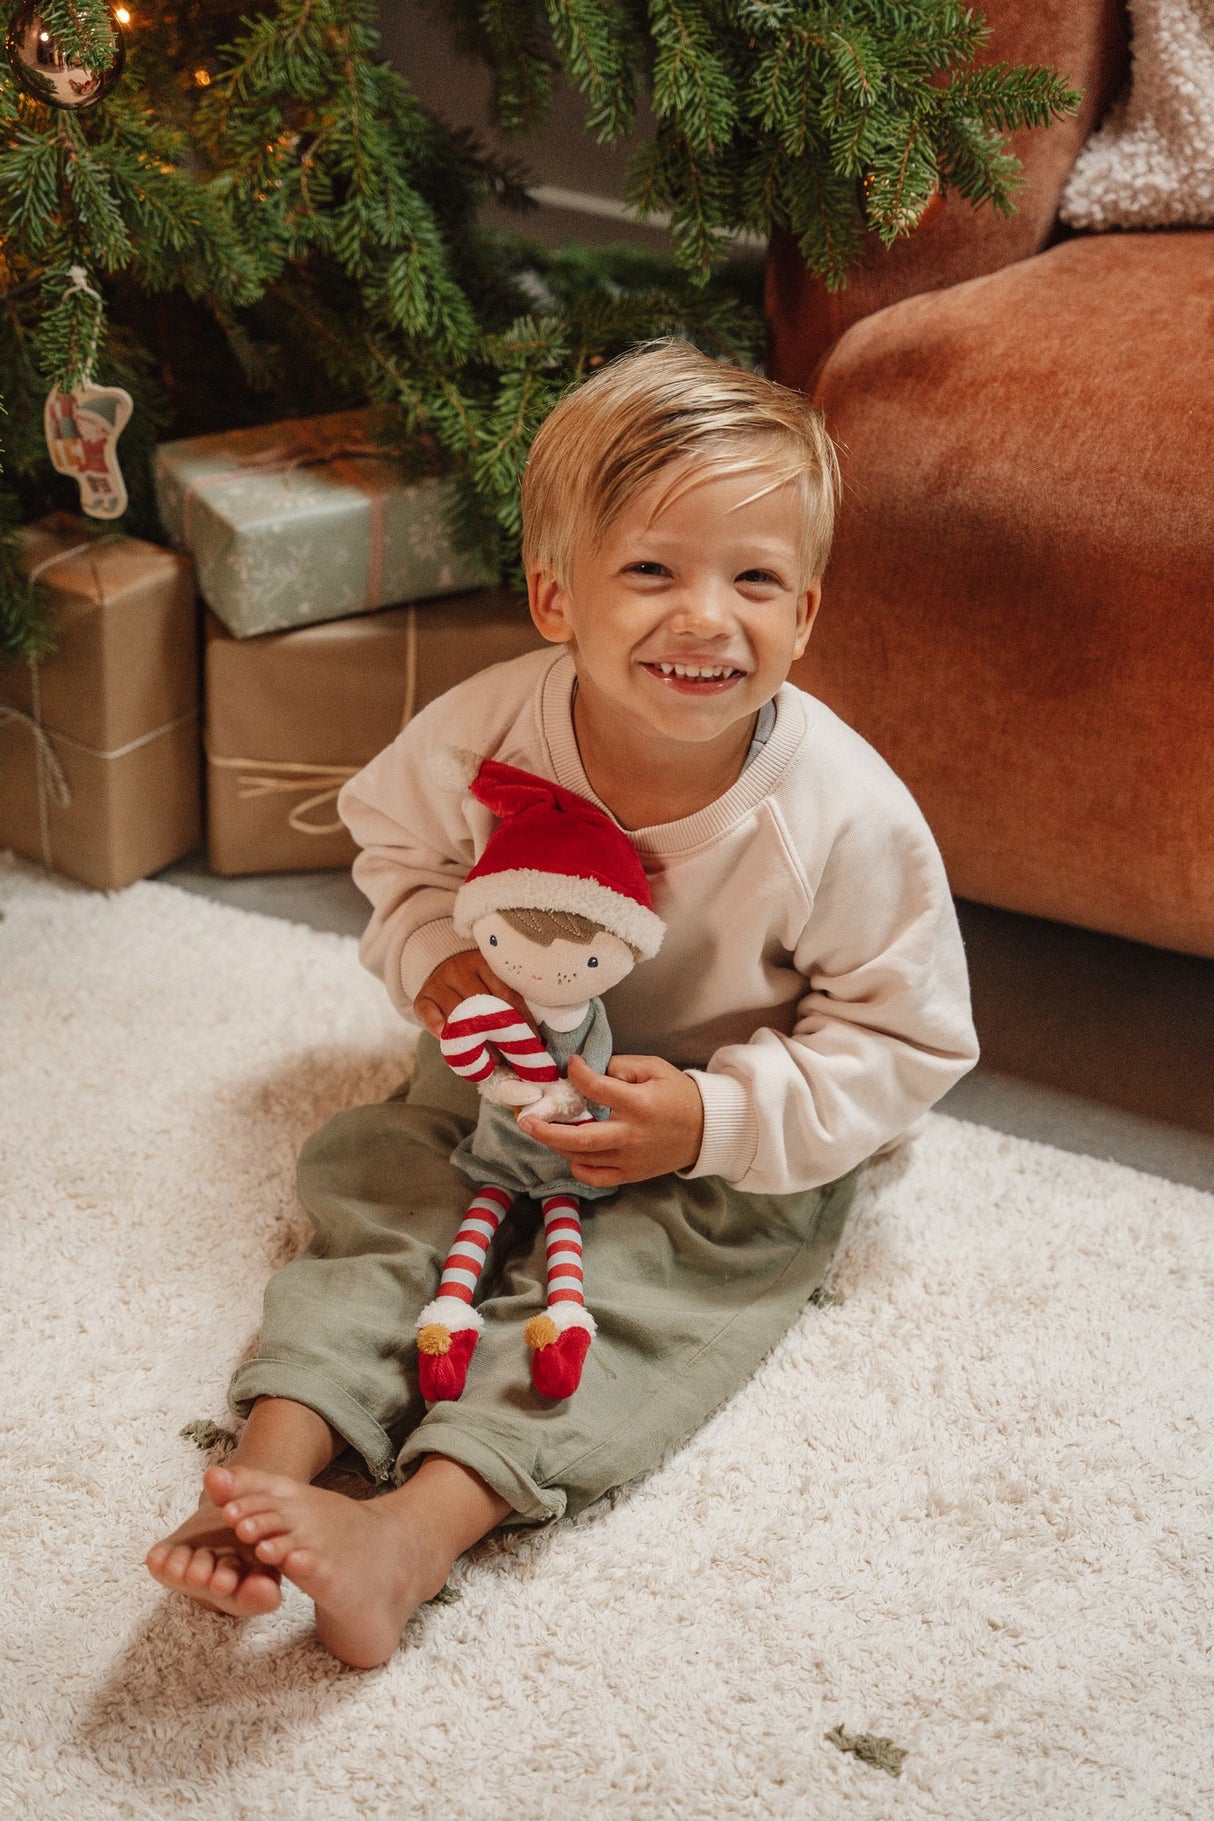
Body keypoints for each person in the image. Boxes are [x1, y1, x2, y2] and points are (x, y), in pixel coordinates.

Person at [145, 339, 980, 1669]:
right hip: (513, 1063)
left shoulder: (844, 813)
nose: (706, 616)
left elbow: (905, 1035)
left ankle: (412, 1530)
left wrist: (712, 1117)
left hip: (727, 1116)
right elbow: (395, 856)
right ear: (555, 596)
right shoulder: (484, 734)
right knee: (386, 1196)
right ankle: (263, 1465)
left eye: (753, 578)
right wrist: (437, 961)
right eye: (651, 570)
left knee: (657, 1291)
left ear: (805, 613)